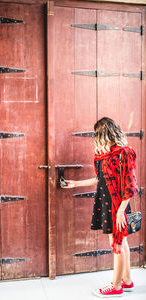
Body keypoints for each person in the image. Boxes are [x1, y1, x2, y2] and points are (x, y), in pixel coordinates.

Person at [61, 117, 139, 298]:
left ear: (105, 133)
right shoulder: (102, 154)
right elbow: (100, 180)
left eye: (97, 133)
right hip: (106, 203)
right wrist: (75, 184)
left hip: (119, 204)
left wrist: (121, 210)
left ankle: (117, 286)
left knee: (117, 243)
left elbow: (130, 184)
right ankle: (127, 280)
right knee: (121, 242)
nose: (95, 137)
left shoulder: (124, 152)